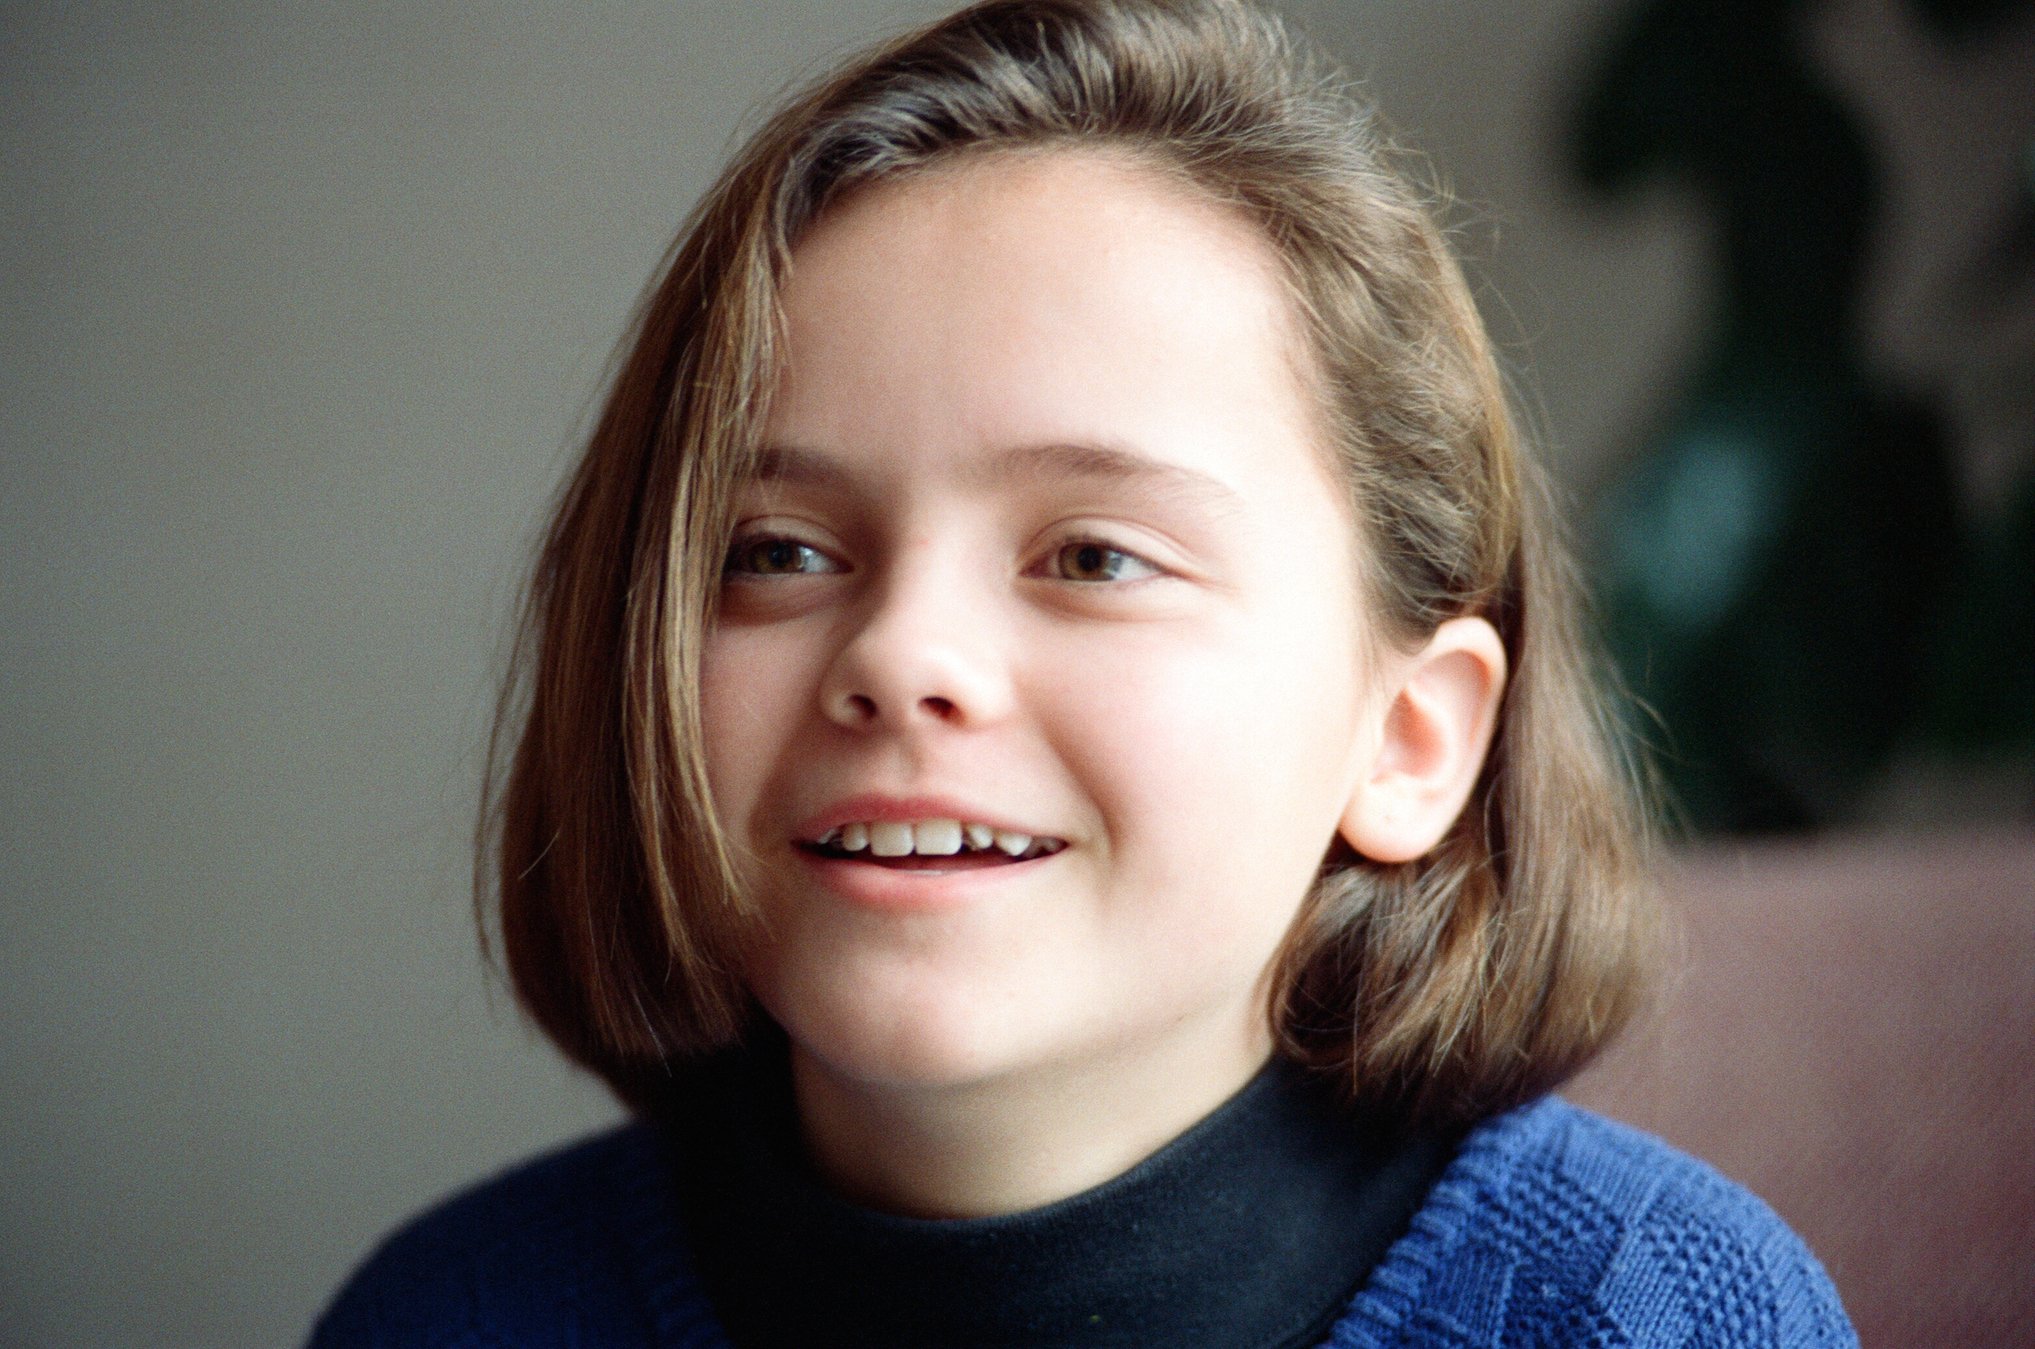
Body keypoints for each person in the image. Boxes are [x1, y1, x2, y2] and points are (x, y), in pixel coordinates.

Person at [310, 1, 1856, 1344]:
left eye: (1095, 557)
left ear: (1409, 737)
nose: (900, 654)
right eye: (777, 551)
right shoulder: (449, 1316)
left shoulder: (1658, 1316)